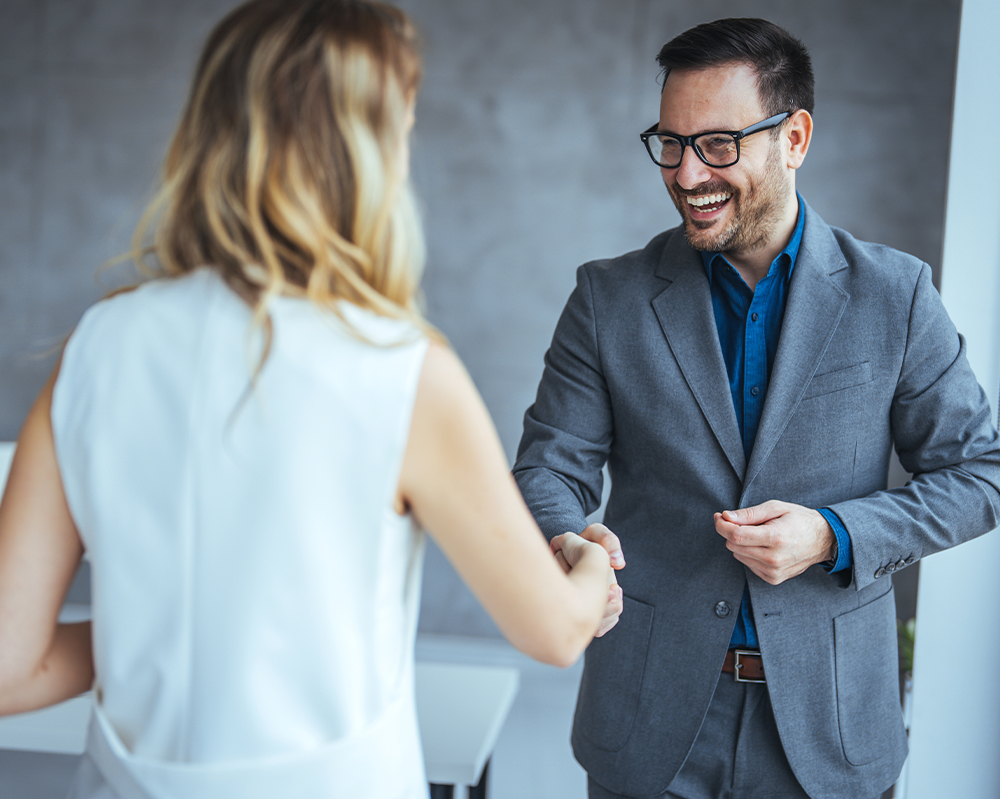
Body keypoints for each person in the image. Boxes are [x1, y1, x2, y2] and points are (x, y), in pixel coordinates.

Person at [0, 2, 622, 797]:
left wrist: (158, 633)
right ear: (368, 150)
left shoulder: (95, 348)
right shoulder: (402, 368)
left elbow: (9, 668)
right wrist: (593, 556)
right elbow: (554, 629)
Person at [513, 16, 1000, 799]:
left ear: (795, 137)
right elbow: (547, 468)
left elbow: (980, 475)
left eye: (718, 143)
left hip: (830, 733)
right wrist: (569, 537)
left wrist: (835, 533)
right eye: (670, 142)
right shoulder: (607, 298)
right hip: (648, 725)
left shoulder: (896, 296)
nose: (686, 172)